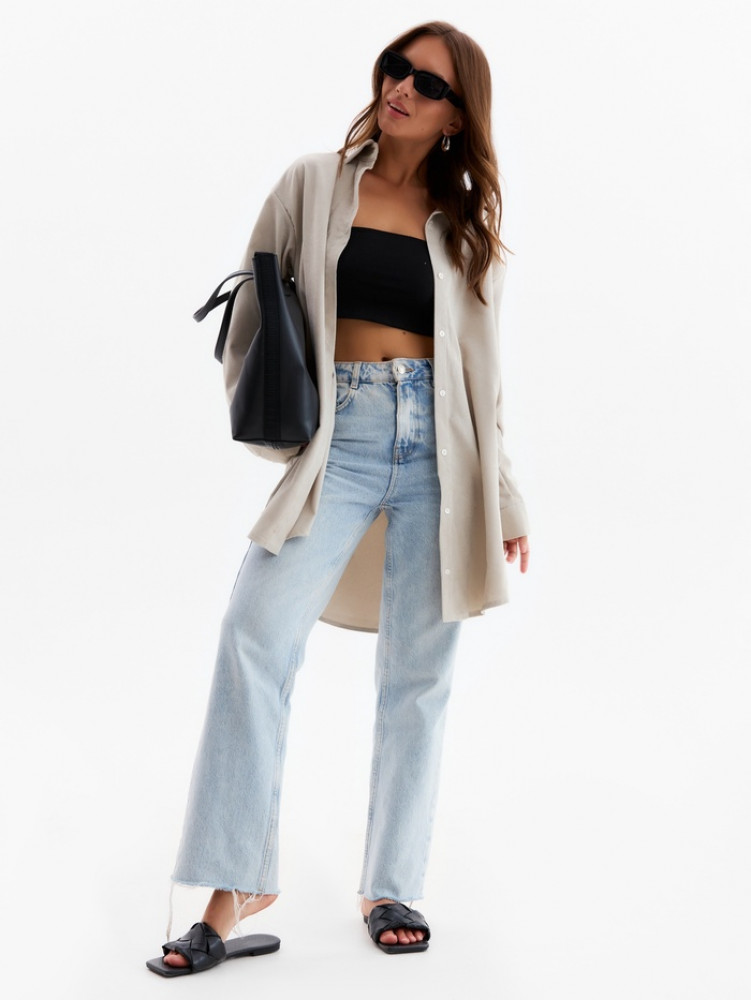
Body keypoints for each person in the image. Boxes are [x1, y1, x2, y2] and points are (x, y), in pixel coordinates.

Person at [147, 20, 530, 976]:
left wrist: (507, 499)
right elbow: (253, 305)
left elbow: (484, 380)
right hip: (344, 443)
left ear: (456, 117)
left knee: (417, 679)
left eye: (428, 84)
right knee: (253, 636)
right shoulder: (314, 184)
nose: (402, 87)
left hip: (442, 452)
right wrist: (286, 428)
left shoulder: (464, 226)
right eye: (397, 69)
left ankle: (390, 884)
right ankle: (232, 890)